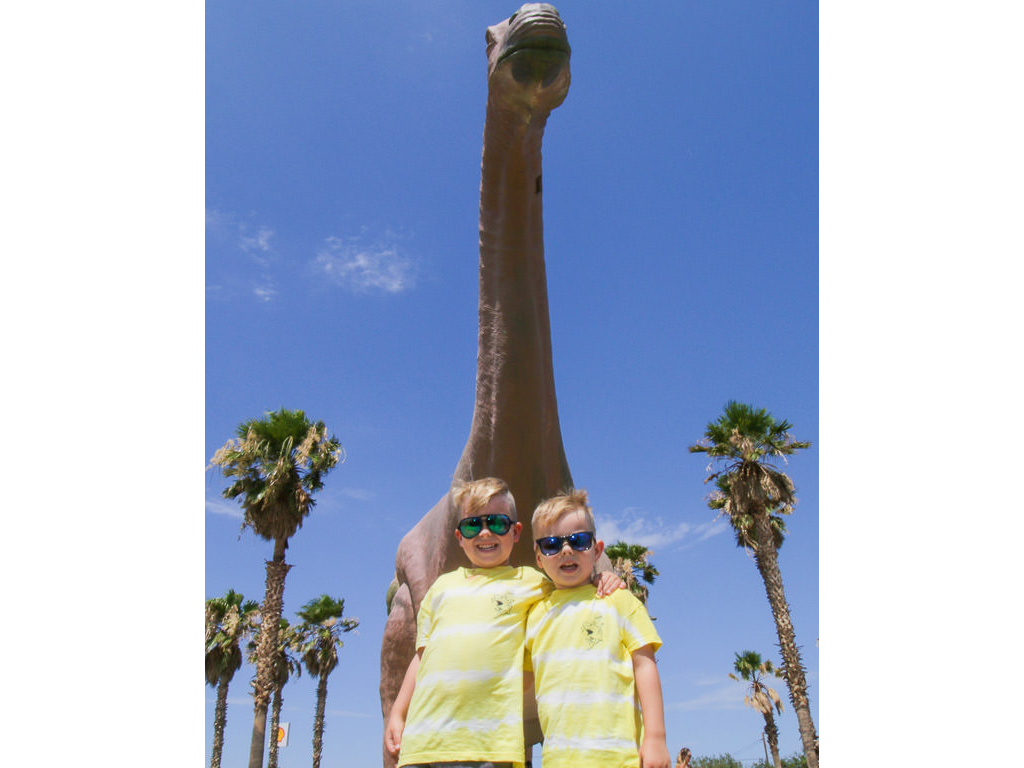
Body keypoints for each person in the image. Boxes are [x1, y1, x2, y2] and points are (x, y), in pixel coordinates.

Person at [384, 477, 623, 768]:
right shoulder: (441, 588)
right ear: (459, 537)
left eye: (497, 523)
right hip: (425, 741)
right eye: (473, 525)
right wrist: (398, 711)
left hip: (492, 745)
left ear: (516, 531)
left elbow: (572, 588)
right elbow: (422, 655)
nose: (485, 533)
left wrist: (602, 577)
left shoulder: (533, 583)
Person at [525, 488, 671, 768]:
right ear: (539, 558)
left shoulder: (618, 600)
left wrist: (655, 737)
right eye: (552, 544)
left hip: (620, 757)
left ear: (597, 549)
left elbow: (645, 665)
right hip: (558, 759)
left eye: (578, 540)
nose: (566, 550)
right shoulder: (535, 615)